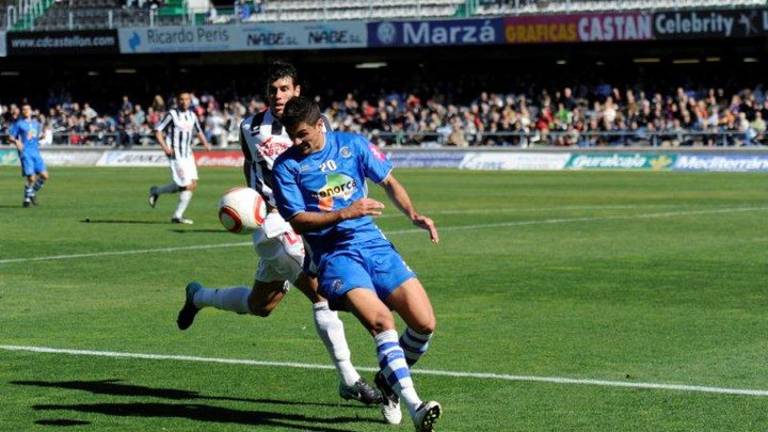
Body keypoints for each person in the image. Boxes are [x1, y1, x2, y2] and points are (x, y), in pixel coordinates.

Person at [175, 62, 381, 407]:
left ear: (297, 90)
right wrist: (248, 203)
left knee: (261, 306)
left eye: (284, 89)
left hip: (308, 222)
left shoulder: (317, 124)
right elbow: (249, 164)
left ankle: (198, 297)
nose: (278, 95)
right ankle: (349, 379)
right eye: (272, 90)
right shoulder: (250, 127)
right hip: (272, 224)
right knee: (321, 293)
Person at [272, 96, 442, 432]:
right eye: (292, 136)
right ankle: (415, 407)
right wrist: (343, 213)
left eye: (303, 134)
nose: (297, 141)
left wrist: (413, 214)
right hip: (335, 255)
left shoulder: (352, 145)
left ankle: (388, 382)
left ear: (321, 125)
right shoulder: (286, 166)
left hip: (374, 244)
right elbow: (297, 221)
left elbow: (388, 181)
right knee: (382, 321)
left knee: (424, 323)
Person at [148, 92, 211, 224]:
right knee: (186, 185)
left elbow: (198, 131)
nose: (184, 102)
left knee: (192, 184)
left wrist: (205, 143)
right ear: (177, 101)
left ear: (190, 101)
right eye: (181, 99)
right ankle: (177, 216)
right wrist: (165, 148)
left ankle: (156, 191)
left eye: (187, 99)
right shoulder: (172, 114)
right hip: (176, 155)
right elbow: (158, 131)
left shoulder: (192, 115)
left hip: (188, 155)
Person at [9, 104, 48, 208]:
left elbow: (34, 137)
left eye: (27, 109)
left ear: (31, 111)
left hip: (36, 152)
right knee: (31, 177)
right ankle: (27, 199)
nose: (25, 111)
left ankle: (30, 194)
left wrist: (41, 137)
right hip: (25, 152)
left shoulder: (36, 124)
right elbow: (10, 137)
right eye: (23, 110)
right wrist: (16, 141)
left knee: (45, 176)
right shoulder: (19, 124)